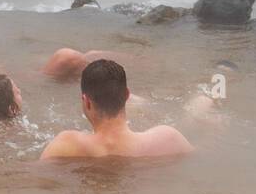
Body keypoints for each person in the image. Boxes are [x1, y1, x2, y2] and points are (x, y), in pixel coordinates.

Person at [40, 59, 193, 160]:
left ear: (86, 102)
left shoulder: (67, 145)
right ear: (127, 95)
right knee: (202, 101)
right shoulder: (167, 138)